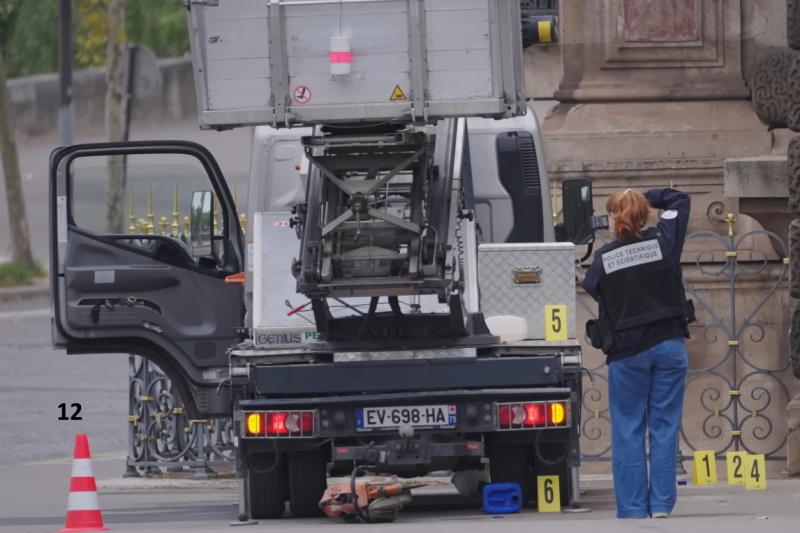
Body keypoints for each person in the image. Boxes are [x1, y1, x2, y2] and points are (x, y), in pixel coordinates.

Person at [582, 188, 693, 519]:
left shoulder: (603, 259)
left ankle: (632, 509)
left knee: (629, 428)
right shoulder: (665, 241)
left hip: (628, 353)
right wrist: (643, 195)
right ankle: (661, 506)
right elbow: (680, 200)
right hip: (670, 346)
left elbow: (591, 285)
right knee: (664, 426)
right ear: (645, 213)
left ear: (614, 217)